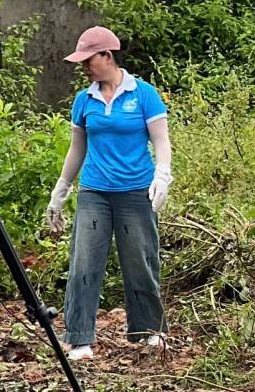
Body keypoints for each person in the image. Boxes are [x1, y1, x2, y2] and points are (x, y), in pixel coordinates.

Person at [43, 26, 172, 363]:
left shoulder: (144, 94)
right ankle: (80, 338)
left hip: (135, 192)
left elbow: (161, 141)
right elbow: (77, 149)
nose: (84, 67)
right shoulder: (84, 100)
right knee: (84, 262)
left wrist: (162, 175)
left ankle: (150, 329)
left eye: (89, 60)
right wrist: (61, 190)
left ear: (107, 56)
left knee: (140, 261)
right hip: (95, 192)